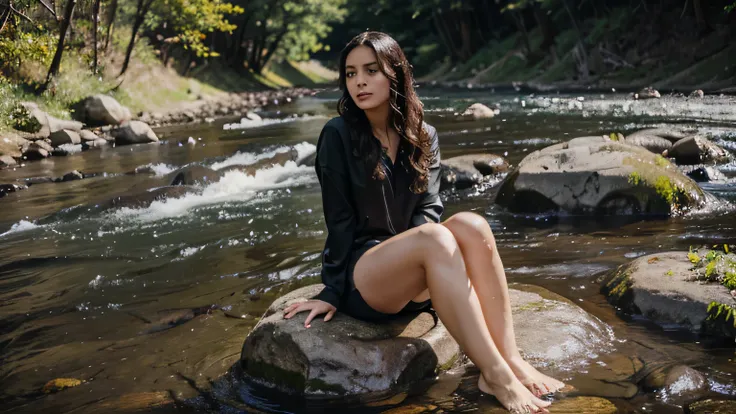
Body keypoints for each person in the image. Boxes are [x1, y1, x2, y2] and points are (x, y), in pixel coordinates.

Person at [283, 31, 564, 413]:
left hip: (417, 271)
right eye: (350, 74)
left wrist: (432, 263)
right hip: (365, 278)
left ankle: (510, 358)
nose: (359, 82)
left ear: (395, 74)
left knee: (472, 224)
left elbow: (429, 209)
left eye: (371, 70)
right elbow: (339, 220)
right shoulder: (337, 135)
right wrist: (330, 292)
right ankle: (496, 374)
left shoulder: (423, 134)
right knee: (434, 236)